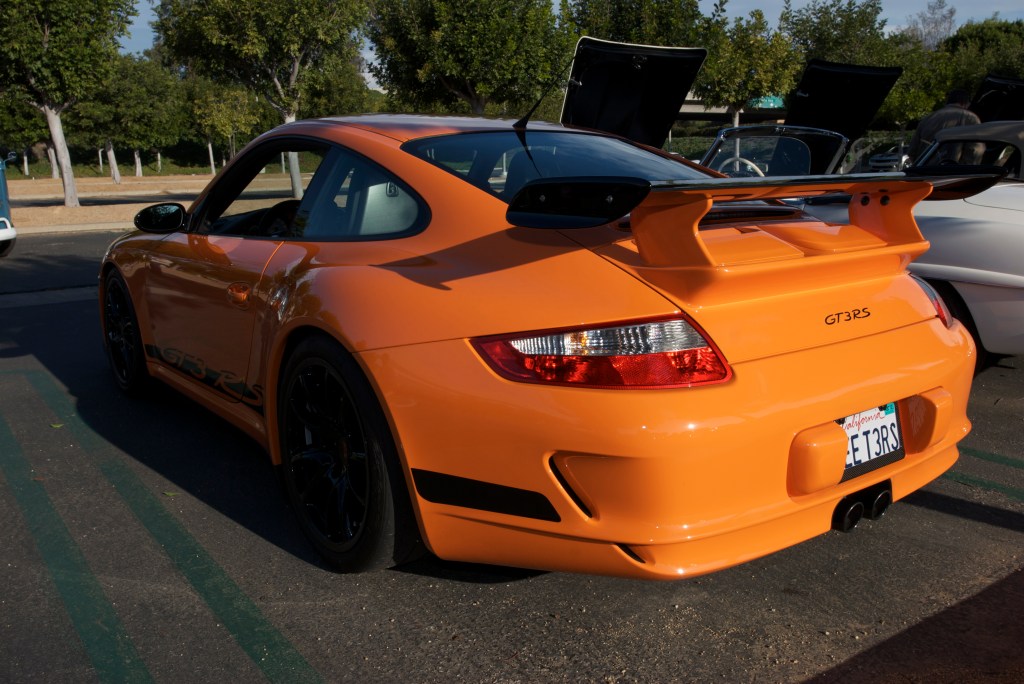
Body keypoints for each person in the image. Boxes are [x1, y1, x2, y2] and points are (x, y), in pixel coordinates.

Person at [908, 89, 981, 162]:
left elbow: (912, 152)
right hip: (954, 171)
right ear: (965, 103)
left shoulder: (927, 118)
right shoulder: (970, 118)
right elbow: (975, 151)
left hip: (926, 170)